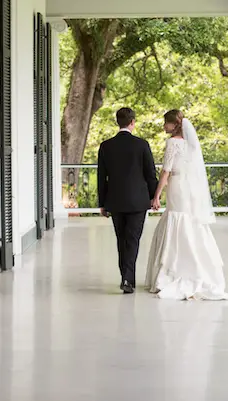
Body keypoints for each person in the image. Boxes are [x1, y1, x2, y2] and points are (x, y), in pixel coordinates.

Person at [144, 110, 228, 301]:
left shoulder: (173, 143)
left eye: (165, 123)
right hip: (189, 189)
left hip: (176, 186)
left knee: (176, 219)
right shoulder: (192, 144)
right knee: (189, 222)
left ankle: (173, 271)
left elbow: (166, 171)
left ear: (174, 124)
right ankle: (197, 267)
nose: (163, 127)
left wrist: (157, 195)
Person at [97, 107, 158, 294]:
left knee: (121, 239)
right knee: (132, 240)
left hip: (115, 201)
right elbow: (150, 174)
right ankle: (127, 279)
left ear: (118, 122)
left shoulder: (106, 146)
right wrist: (154, 197)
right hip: (138, 202)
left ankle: (125, 277)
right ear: (133, 122)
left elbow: (101, 177)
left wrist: (102, 203)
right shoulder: (142, 145)